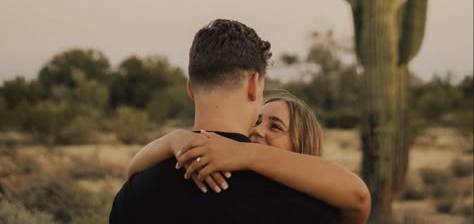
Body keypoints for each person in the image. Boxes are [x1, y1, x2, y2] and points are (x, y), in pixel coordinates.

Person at [109, 19, 349, 223]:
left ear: (190, 89)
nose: (261, 131)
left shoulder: (134, 194)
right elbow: (358, 199)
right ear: (254, 85)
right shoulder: (304, 203)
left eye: (275, 126)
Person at [127, 92, 371, 224]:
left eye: (275, 127)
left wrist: (248, 153)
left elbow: (358, 198)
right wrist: (172, 140)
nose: (258, 130)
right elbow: (133, 171)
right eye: (257, 121)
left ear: (302, 146)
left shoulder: (315, 208)